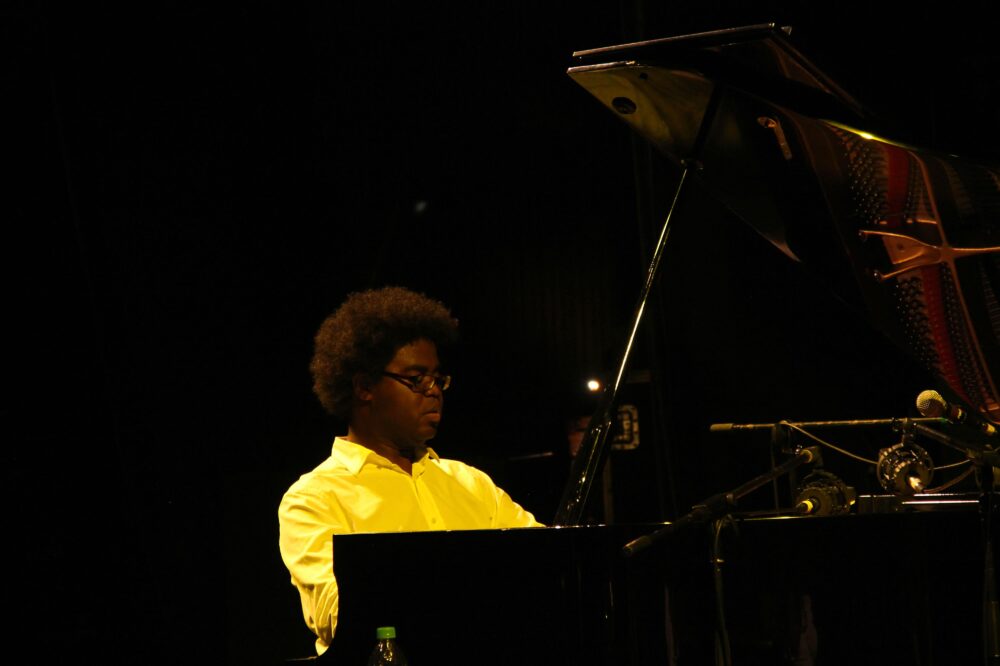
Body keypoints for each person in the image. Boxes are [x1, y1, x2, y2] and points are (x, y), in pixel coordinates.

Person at [278, 286, 542, 656]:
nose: (434, 391)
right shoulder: (314, 499)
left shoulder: (471, 483)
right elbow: (337, 616)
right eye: (416, 379)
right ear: (364, 387)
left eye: (438, 379)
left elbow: (545, 566)